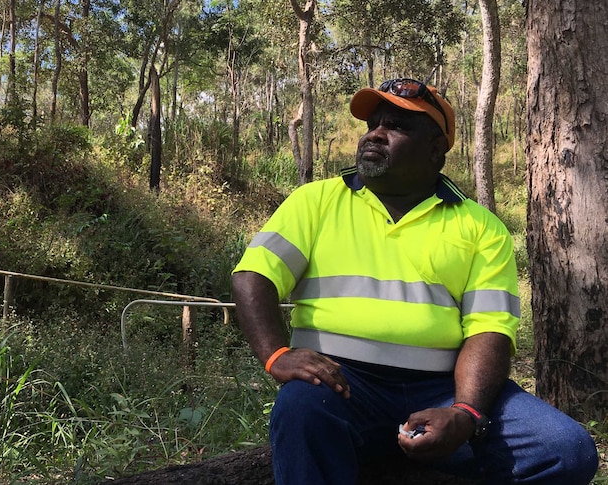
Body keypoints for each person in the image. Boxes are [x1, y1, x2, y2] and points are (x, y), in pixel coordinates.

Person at [231, 78, 599, 484]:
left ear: (435, 149)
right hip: (338, 387)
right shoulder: (314, 202)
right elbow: (255, 275)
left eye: (396, 125)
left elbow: (489, 329)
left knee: (565, 450)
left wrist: (465, 414)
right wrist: (276, 354)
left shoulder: (480, 228)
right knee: (301, 409)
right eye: (373, 123)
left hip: (441, 389)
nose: (375, 133)